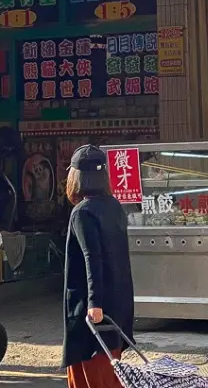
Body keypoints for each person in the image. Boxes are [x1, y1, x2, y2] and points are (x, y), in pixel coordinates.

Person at [62, 145, 134, 388]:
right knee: (112, 373)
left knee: (91, 376)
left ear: (76, 177)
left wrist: (94, 304)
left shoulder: (82, 213)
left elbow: (92, 258)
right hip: (118, 305)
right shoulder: (114, 206)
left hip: (91, 310)